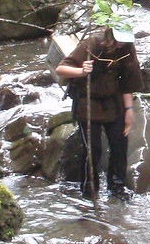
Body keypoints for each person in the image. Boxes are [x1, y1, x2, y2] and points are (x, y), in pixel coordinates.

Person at [56, 25, 144, 200]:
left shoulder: (127, 51)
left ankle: (117, 186)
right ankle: (90, 189)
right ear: (110, 34)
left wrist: (129, 111)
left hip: (114, 103)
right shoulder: (92, 45)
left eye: (124, 40)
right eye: (118, 39)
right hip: (87, 104)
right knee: (93, 149)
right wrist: (81, 71)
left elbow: (128, 84)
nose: (121, 43)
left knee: (119, 145)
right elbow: (61, 69)